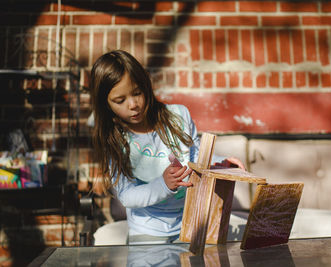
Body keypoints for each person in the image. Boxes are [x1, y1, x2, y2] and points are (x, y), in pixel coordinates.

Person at [90, 50, 244, 245]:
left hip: (188, 225)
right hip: (146, 232)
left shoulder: (178, 116)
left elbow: (196, 155)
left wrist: (219, 163)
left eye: (137, 93)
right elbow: (127, 196)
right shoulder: (113, 140)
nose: (133, 104)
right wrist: (163, 185)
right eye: (120, 101)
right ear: (106, 104)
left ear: (146, 86)